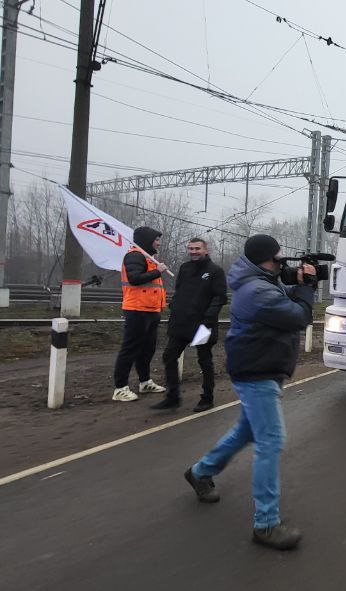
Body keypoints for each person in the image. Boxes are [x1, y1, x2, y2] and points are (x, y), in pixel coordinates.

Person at [183, 234, 316, 550]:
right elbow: (299, 316)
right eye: (279, 259)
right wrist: (307, 287)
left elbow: (287, 297)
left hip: (262, 366)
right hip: (257, 371)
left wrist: (297, 281)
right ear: (265, 261)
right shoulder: (257, 291)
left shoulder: (262, 283)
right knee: (271, 440)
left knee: (246, 431)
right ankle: (266, 524)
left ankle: (200, 472)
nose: (282, 263)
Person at [151, 238, 227, 412]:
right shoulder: (185, 268)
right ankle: (173, 397)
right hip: (181, 323)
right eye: (190, 248)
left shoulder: (215, 271)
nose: (193, 251)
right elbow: (180, 291)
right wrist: (174, 306)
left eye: (197, 248)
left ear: (205, 250)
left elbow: (220, 297)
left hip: (202, 326)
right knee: (169, 357)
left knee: (204, 360)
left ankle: (207, 398)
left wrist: (209, 318)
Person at [112, 226, 169, 402]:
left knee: (147, 350)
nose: (159, 243)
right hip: (137, 310)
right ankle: (120, 388)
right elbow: (135, 279)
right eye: (156, 239)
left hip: (150, 310)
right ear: (146, 240)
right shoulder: (135, 255)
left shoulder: (148, 257)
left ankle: (145, 382)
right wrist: (156, 271)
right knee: (130, 349)